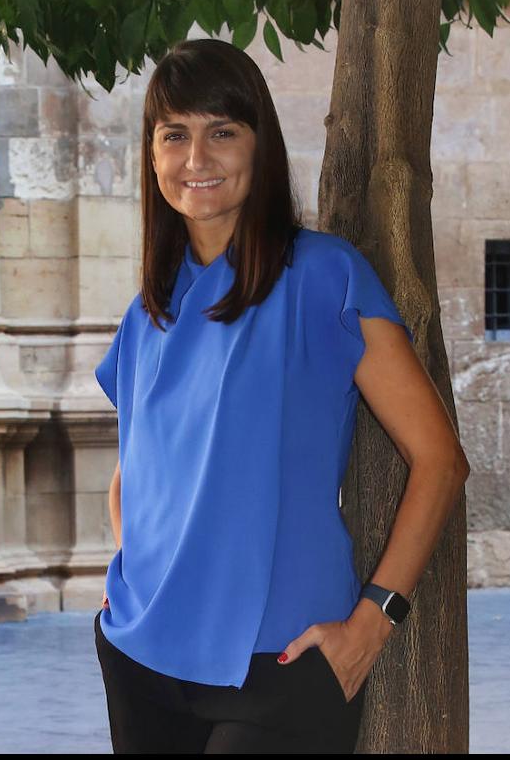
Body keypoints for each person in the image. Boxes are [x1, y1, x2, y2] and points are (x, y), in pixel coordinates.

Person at [91, 38, 470, 754]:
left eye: (222, 132)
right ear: (151, 153)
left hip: (286, 662)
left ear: (259, 145)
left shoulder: (325, 277)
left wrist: (375, 620)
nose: (196, 158)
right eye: (174, 135)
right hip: (143, 655)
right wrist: (135, 573)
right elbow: (131, 475)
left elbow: (441, 460)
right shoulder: (147, 314)